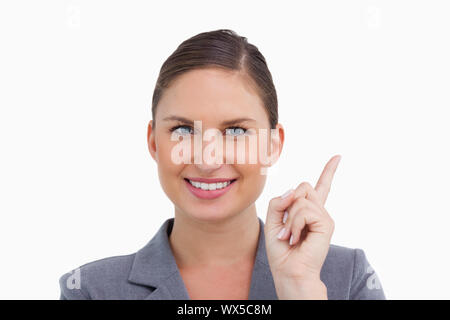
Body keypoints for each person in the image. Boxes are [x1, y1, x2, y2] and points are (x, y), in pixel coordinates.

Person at [59, 29, 386, 300]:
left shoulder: (348, 280)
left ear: (272, 145)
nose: (207, 159)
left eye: (235, 131)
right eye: (183, 130)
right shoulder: (91, 290)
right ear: (154, 142)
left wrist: (299, 288)